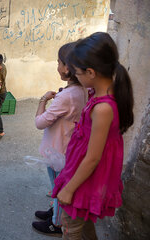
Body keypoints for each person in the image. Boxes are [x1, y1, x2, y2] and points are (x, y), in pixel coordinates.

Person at [52, 32, 134, 239]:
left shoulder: (103, 108)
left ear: (90, 72)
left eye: (77, 73)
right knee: (82, 221)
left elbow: (93, 157)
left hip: (86, 175)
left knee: (70, 225)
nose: (75, 76)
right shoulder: (97, 94)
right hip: (82, 170)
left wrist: (69, 189)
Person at [31, 42, 87, 236]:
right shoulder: (81, 90)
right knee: (58, 185)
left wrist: (43, 100)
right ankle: (55, 212)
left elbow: (40, 122)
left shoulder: (66, 96)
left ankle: (56, 223)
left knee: (58, 187)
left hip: (58, 151)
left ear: (67, 67)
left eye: (58, 62)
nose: (57, 66)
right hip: (67, 147)